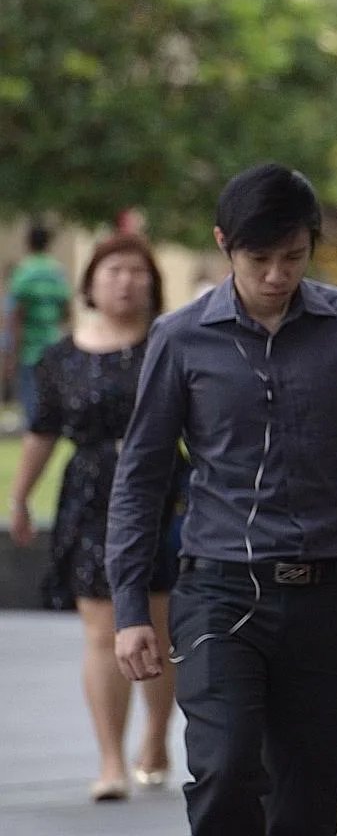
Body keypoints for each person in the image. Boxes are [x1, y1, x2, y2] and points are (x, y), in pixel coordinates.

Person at [106, 164, 337, 836]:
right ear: (225, 244)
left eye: (293, 257)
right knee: (225, 770)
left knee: (308, 802)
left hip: (321, 595)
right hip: (218, 589)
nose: (277, 275)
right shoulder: (181, 336)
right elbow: (140, 476)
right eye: (260, 259)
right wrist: (131, 606)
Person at [8, 234, 180, 801]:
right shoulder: (58, 357)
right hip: (89, 498)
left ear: (152, 283)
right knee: (102, 632)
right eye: (113, 271)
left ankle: (156, 736)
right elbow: (42, 432)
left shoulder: (170, 344)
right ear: (90, 283)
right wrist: (20, 497)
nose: (125, 282)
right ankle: (111, 759)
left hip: (161, 492)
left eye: (137, 271)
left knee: (155, 623)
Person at [4, 224, 72, 426]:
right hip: (54, 345)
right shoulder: (57, 272)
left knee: (32, 405)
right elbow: (66, 312)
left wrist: (10, 352)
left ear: (28, 243)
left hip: (30, 348)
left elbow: (15, 316)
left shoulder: (24, 272)